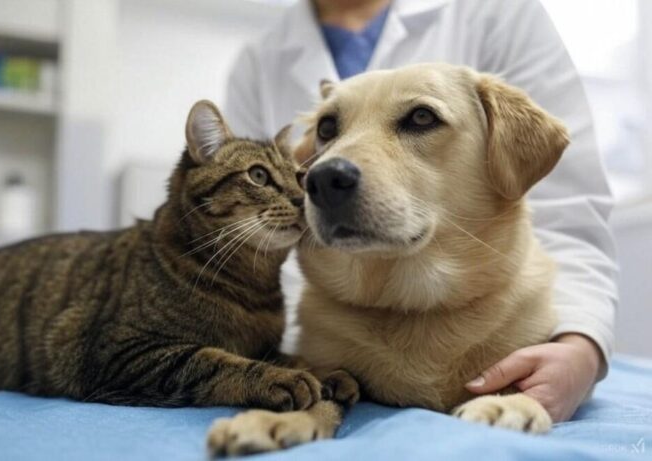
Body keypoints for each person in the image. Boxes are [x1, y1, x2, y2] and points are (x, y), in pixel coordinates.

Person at [224, 0, 618, 423]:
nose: (325, 173)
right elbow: (242, 230)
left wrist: (580, 349)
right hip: (328, 342)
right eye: (328, 130)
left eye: (419, 118)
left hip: (505, 318)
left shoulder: (501, 11)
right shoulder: (257, 57)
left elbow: (569, 210)